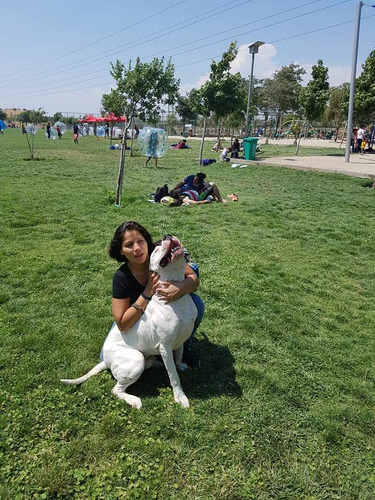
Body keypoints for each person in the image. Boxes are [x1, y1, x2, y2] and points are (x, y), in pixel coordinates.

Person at [106, 221, 204, 368]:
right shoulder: (122, 277)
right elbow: (122, 324)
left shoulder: (161, 254)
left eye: (140, 241)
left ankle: (184, 346)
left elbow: (193, 279)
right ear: (120, 251)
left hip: (165, 310)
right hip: (139, 319)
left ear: (147, 241)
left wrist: (181, 287)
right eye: (129, 245)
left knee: (196, 304)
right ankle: (152, 351)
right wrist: (147, 292)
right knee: (106, 356)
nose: (137, 249)